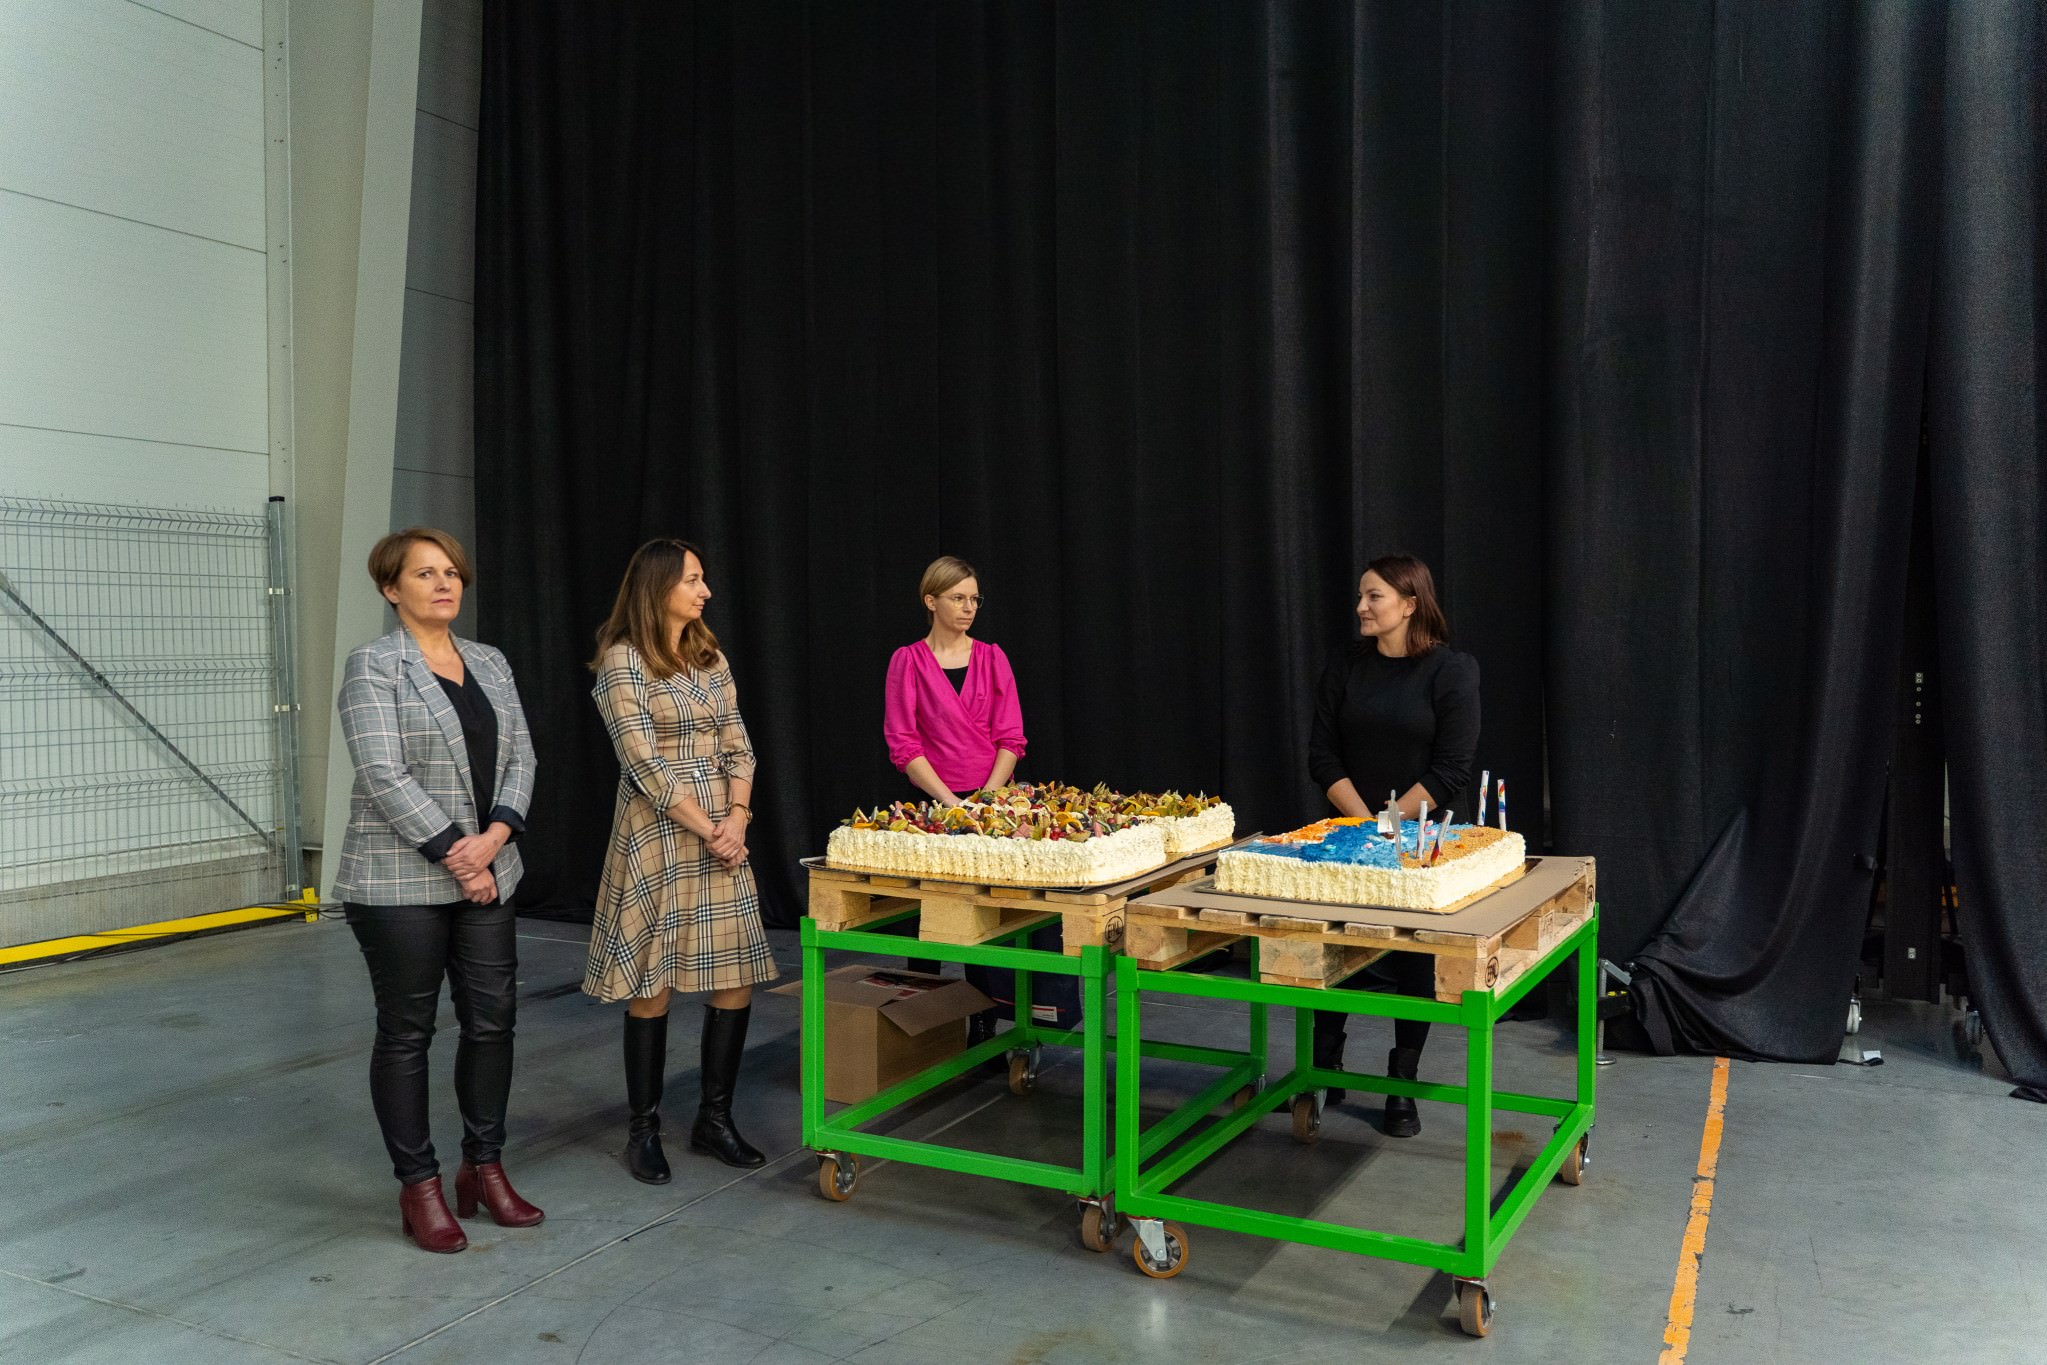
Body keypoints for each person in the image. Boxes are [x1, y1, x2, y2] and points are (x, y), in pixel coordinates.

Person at [334, 528, 543, 1254]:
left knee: (492, 1021)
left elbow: (522, 755)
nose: (444, 583)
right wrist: (462, 854)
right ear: (391, 589)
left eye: (451, 571)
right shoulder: (373, 666)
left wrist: (496, 837)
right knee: (408, 1031)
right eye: (424, 573)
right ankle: (418, 1185)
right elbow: (382, 773)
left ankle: (483, 1167)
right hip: (399, 880)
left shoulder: (489, 661)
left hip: (490, 867)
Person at [584, 539, 777, 1181]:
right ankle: (643, 1130)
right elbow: (642, 763)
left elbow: (740, 746)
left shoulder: (709, 656)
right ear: (658, 586)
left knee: (735, 975)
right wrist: (711, 828)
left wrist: (737, 819)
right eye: (693, 580)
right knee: (654, 982)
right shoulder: (623, 659)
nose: (705, 591)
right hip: (659, 831)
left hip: (723, 827)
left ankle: (713, 1121)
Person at [1305, 554, 1478, 1137]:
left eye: (1373, 596)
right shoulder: (1346, 666)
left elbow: (1451, 767)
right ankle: (1324, 1068)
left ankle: (1402, 1083)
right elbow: (1322, 755)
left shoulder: (1451, 671)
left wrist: (1391, 824)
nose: (1361, 607)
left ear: (1409, 604)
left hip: (1421, 840)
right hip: (1349, 833)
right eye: (1361, 596)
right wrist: (1363, 824)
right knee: (1332, 945)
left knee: (1414, 957)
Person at [882, 556, 1048, 1033]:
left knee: (987, 916)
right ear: (930, 601)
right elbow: (903, 744)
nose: (969, 607)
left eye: (975, 599)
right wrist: (951, 805)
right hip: (935, 806)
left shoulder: (993, 658)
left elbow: (1011, 737)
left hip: (991, 804)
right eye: (958, 598)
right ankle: (922, 1026)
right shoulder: (907, 661)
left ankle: (985, 1020)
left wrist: (985, 802)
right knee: (928, 918)